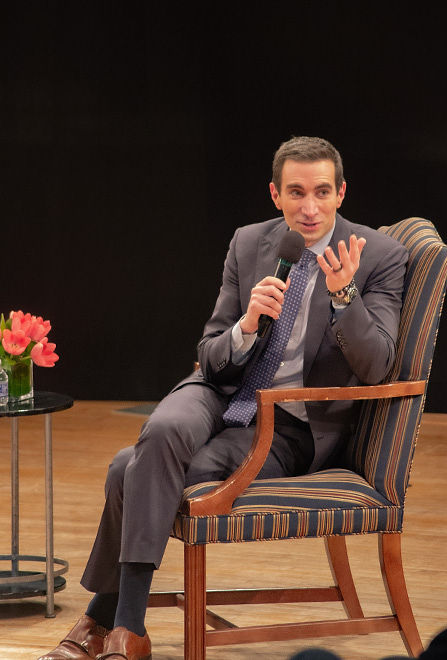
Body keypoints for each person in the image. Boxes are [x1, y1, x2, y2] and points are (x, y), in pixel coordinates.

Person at [39, 136, 409, 660]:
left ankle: (113, 622)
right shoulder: (250, 242)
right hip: (221, 390)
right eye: (296, 192)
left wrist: (344, 297)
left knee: (130, 468)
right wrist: (246, 325)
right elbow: (210, 355)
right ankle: (120, 629)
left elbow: (377, 367)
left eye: (322, 192)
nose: (309, 207)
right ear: (275, 194)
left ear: (341, 193)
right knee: (163, 430)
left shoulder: (377, 256)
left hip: (290, 424)